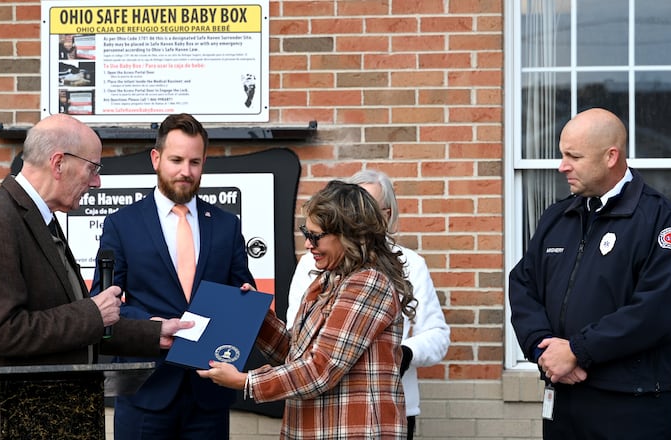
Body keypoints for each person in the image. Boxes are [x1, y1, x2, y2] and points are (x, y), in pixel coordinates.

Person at [0, 114, 190, 440]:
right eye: (93, 169)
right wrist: (92, 312)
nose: (97, 182)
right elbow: (1, 332)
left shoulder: (41, 220)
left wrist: (154, 333)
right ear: (58, 164)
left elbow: (72, 321)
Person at [508, 108, 671, 439]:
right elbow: (523, 284)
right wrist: (542, 348)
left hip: (631, 403)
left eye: (573, 156)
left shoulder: (660, 222)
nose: (561, 166)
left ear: (611, 156)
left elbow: (654, 312)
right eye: (562, 154)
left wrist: (578, 350)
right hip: (564, 397)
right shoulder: (558, 217)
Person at [200, 180, 416, 439]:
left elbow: (321, 368)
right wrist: (255, 317)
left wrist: (246, 382)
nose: (308, 244)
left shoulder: (368, 283)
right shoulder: (326, 280)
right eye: (306, 232)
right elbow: (296, 356)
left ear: (348, 235)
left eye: (316, 236)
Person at [91, 113, 256, 440]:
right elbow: (104, 304)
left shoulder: (226, 225)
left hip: (209, 392)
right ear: (156, 158)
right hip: (145, 391)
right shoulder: (121, 225)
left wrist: (244, 301)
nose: (186, 171)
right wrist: (153, 328)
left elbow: (241, 287)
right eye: (176, 160)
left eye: (195, 162)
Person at [285, 169, 449, 440]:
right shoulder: (314, 263)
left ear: (386, 215)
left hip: (382, 403)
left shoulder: (407, 265)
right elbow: (297, 335)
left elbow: (437, 335)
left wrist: (400, 355)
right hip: (319, 403)